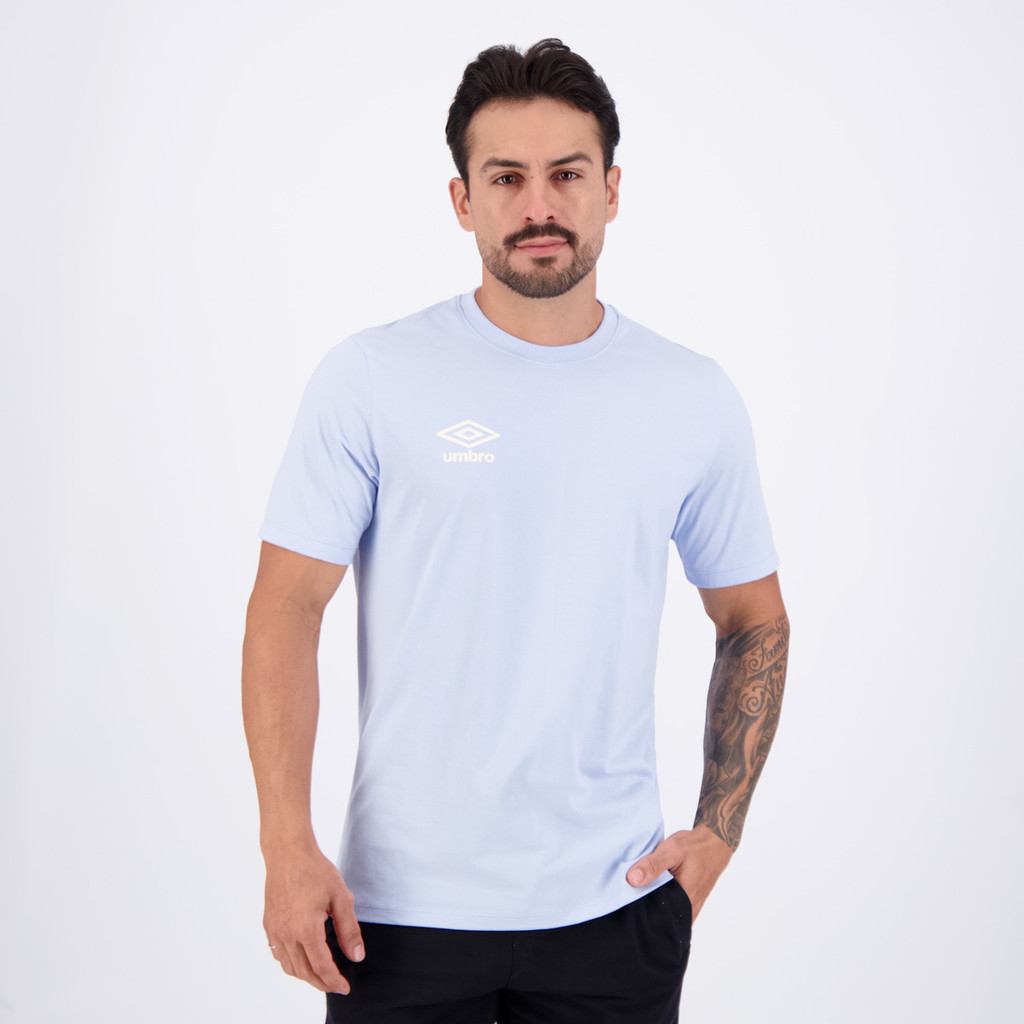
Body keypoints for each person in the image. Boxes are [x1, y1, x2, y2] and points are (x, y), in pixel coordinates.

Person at [242, 38, 789, 1024]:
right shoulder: (373, 377)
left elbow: (753, 616)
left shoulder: (689, 397)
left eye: (567, 174)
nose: (540, 205)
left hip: (615, 910)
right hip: (396, 915)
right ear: (463, 200)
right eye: (506, 178)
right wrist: (287, 845)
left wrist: (718, 834)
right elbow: (285, 607)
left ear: (611, 191)